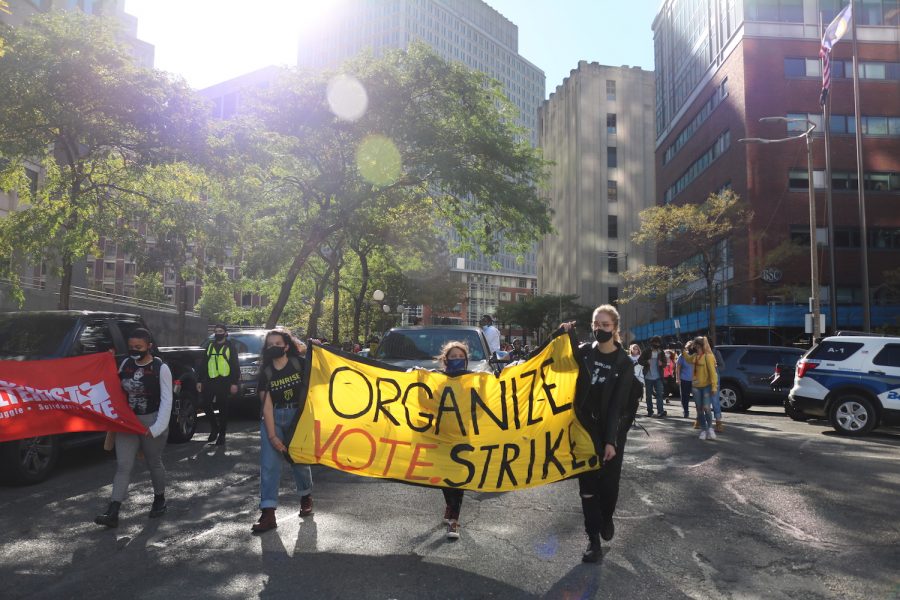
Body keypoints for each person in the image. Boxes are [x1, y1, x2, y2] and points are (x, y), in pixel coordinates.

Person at [562, 304, 635, 563]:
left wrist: (611, 440)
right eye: (596, 324)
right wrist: (565, 335)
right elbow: (560, 360)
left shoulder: (624, 363)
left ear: (615, 328)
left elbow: (618, 405)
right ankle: (593, 540)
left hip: (610, 430)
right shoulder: (584, 353)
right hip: (584, 430)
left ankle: (606, 517)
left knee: (609, 486)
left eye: (605, 325)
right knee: (588, 486)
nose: (600, 329)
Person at [94, 328, 172, 528]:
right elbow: (113, 386)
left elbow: (167, 401)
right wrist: (107, 362)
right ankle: (113, 510)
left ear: (149, 346)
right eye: (131, 347)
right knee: (123, 465)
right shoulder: (126, 364)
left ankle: (159, 499)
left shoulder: (160, 368)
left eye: (139, 347)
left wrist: (155, 428)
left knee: (154, 462)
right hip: (128, 423)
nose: (134, 350)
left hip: (152, 422)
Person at [251, 329, 314, 534]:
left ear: (286, 346)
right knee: (269, 466)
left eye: (277, 343)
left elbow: (319, 379)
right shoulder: (266, 373)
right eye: (269, 345)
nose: (273, 348)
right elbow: (267, 407)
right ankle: (268, 513)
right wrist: (272, 436)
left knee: (299, 462)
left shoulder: (299, 364)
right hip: (274, 420)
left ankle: (306, 496)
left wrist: (316, 349)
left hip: (298, 418)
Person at [435, 340, 472, 540]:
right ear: (446, 359)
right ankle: (450, 507)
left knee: (458, 479)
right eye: (453, 357)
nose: (457, 360)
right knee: (445, 478)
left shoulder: (473, 380)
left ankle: (453, 522)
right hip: (440, 437)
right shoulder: (437, 381)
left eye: (461, 357)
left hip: (463, 437)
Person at [197, 324, 240, 445]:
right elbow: (204, 363)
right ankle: (214, 427)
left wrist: (234, 383)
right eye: (216, 331)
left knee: (222, 408)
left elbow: (235, 365)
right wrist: (199, 380)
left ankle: (222, 434)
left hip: (224, 381)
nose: (218, 333)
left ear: (226, 333)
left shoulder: (230, 347)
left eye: (220, 331)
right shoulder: (210, 345)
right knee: (205, 404)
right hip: (211, 380)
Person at [689, 336, 719, 440]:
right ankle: (703, 429)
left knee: (706, 407)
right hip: (696, 386)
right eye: (695, 344)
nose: (695, 346)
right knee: (699, 409)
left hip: (706, 386)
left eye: (696, 344)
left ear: (700, 345)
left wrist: (714, 387)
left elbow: (713, 373)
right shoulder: (694, 356)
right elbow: (688, 359)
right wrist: (682, 350)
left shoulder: (708, 357)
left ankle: (710, 429)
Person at [638, 336, 668, 417]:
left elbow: (665, 363)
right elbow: (640, 360)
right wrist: (646, 362)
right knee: (648, 396)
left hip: (658, 377)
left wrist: (662, 364)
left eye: (658, 343)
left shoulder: (661, 352)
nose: (656, 344)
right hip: (648, 377)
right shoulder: (647, 351)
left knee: (659, 395)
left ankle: (660, 411)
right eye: (655, 343)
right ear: (652, 343)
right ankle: (650, 411)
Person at [675, 341, 694, 418]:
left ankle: (700, 413)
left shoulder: (697, 355)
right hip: (684, 379)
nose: (692, 348)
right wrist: (677, 378)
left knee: (697, 397)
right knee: (685, 397)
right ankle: (686, 411)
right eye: (690, 347)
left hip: (695, 380)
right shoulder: (682, 356)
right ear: (687, 348)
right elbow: (678, 367)